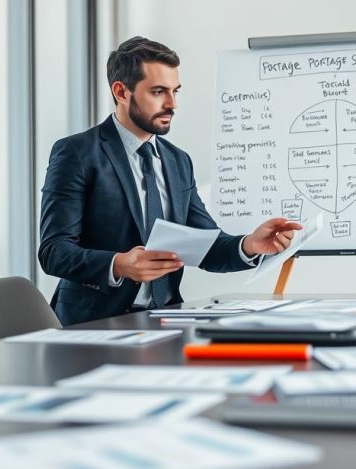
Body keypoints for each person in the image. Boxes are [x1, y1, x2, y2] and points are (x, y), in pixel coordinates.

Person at [38, 36, 302, 325]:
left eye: (175, 91)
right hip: (94, 323)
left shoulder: (178, 161)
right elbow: (54, 251)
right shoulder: (77, 153)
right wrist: (119, 265)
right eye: (158, 91)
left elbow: (207, 247)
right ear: (121, 92)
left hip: (165, 320)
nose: (172, 104)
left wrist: (250, 244)